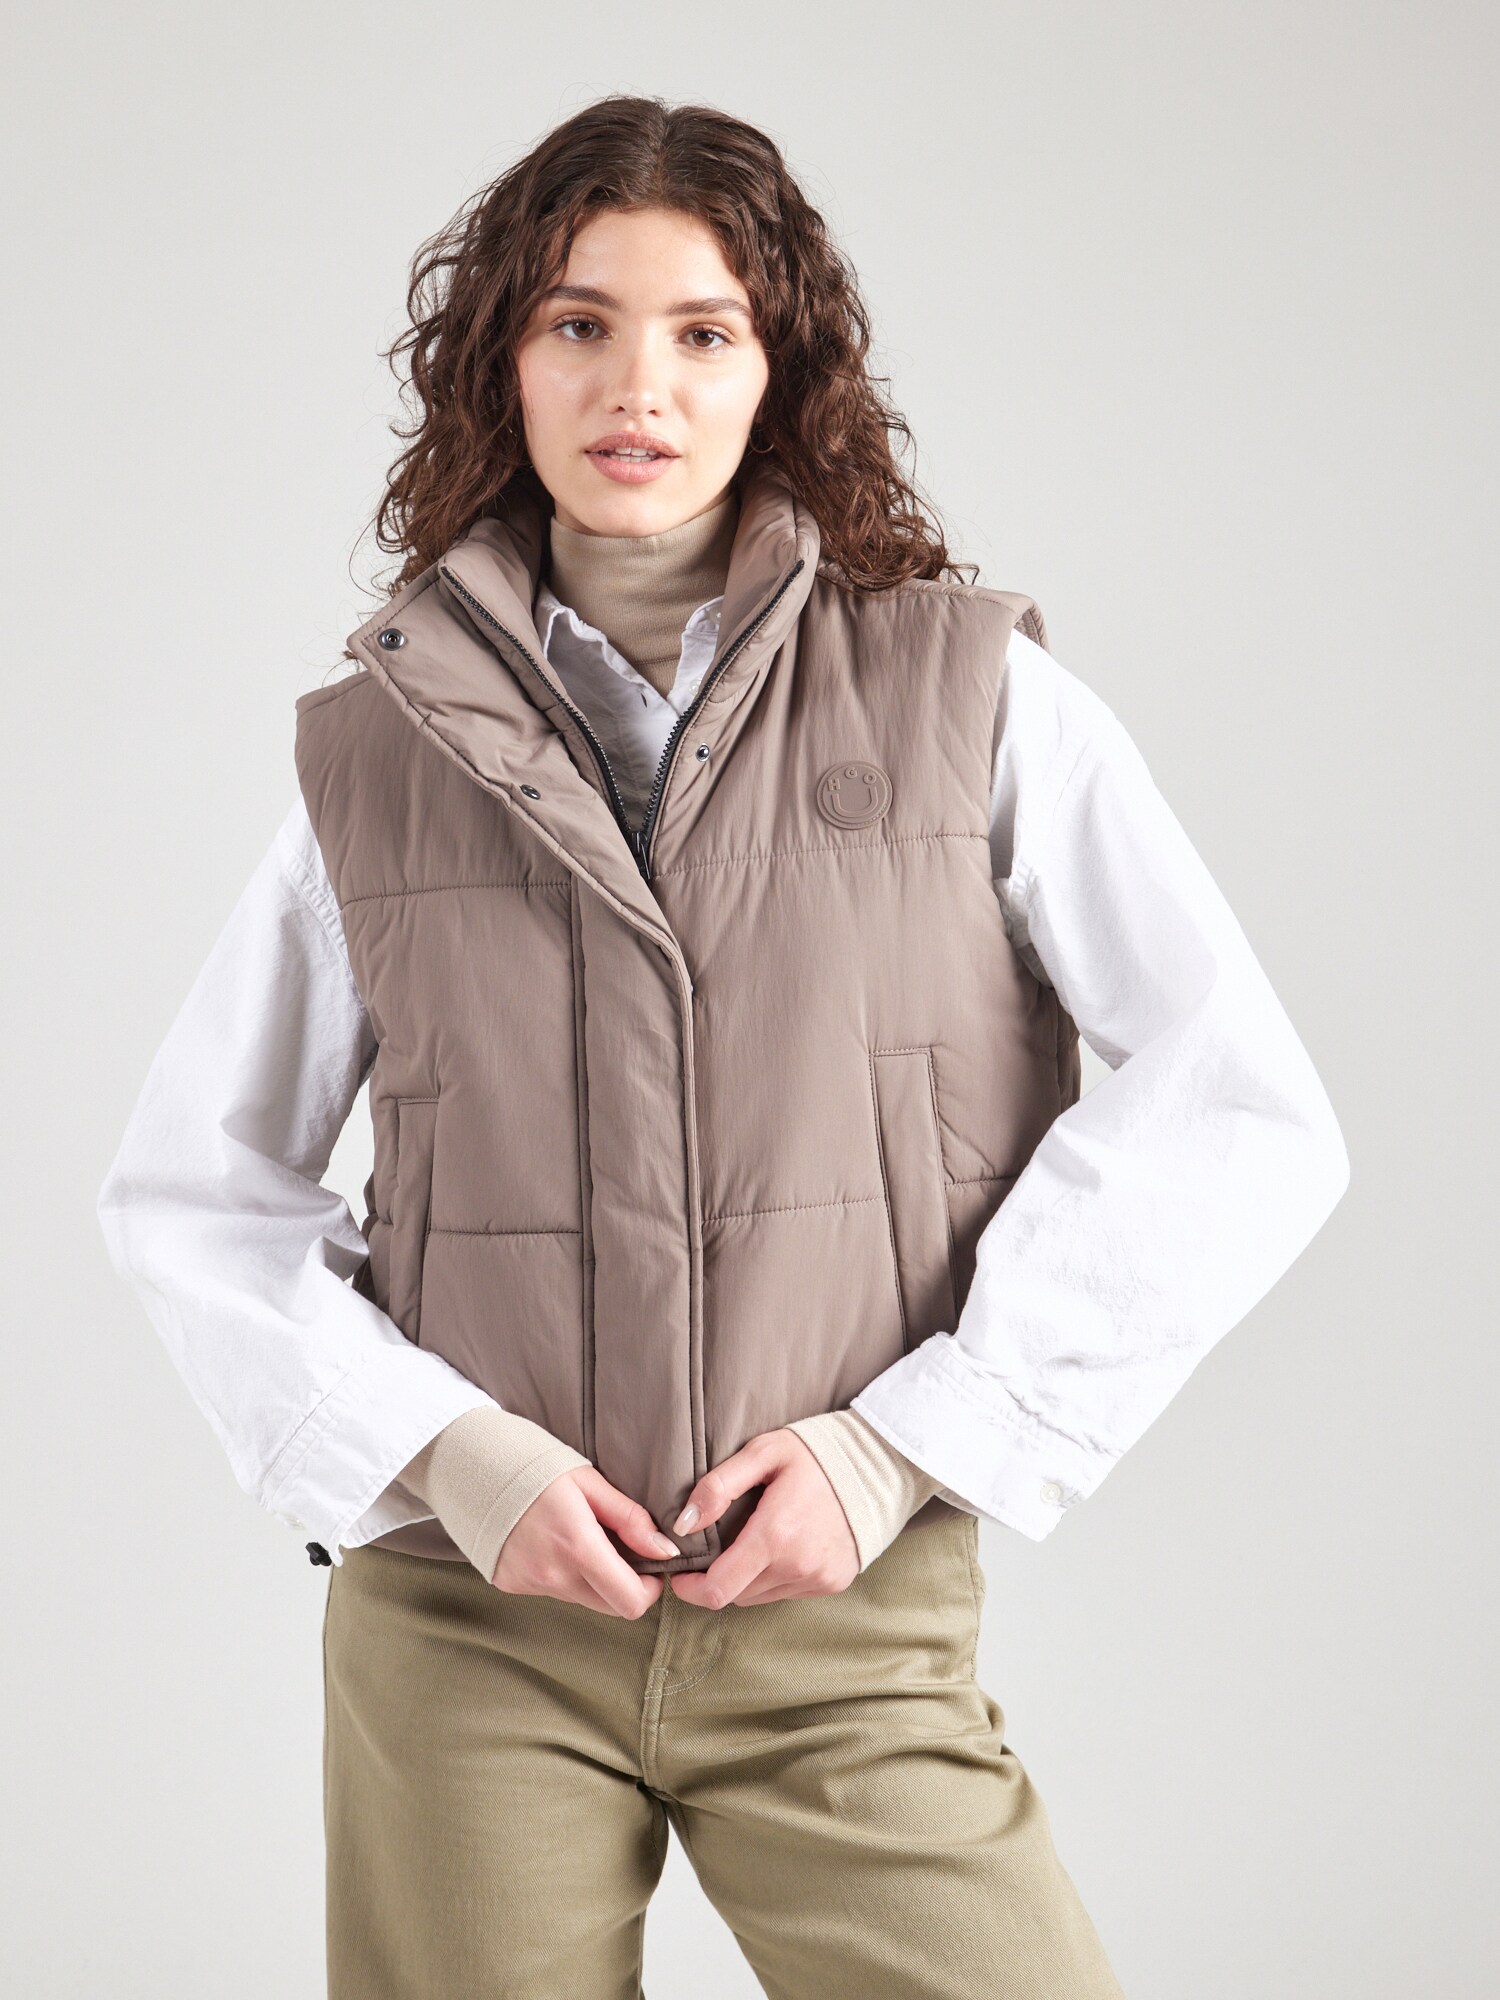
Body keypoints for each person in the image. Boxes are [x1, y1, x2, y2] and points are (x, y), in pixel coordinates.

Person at [96, 94, 1349, 2000]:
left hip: (843, 1618)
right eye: (578, 324)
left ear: (781, 372)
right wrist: (449, 1456)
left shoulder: (971, 698)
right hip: (469, 1629)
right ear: (501, 363)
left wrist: (903, 1447)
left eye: (703, 331)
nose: (639, 387)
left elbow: (1241, 1110)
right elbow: (194, 1191)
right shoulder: (376, 756)